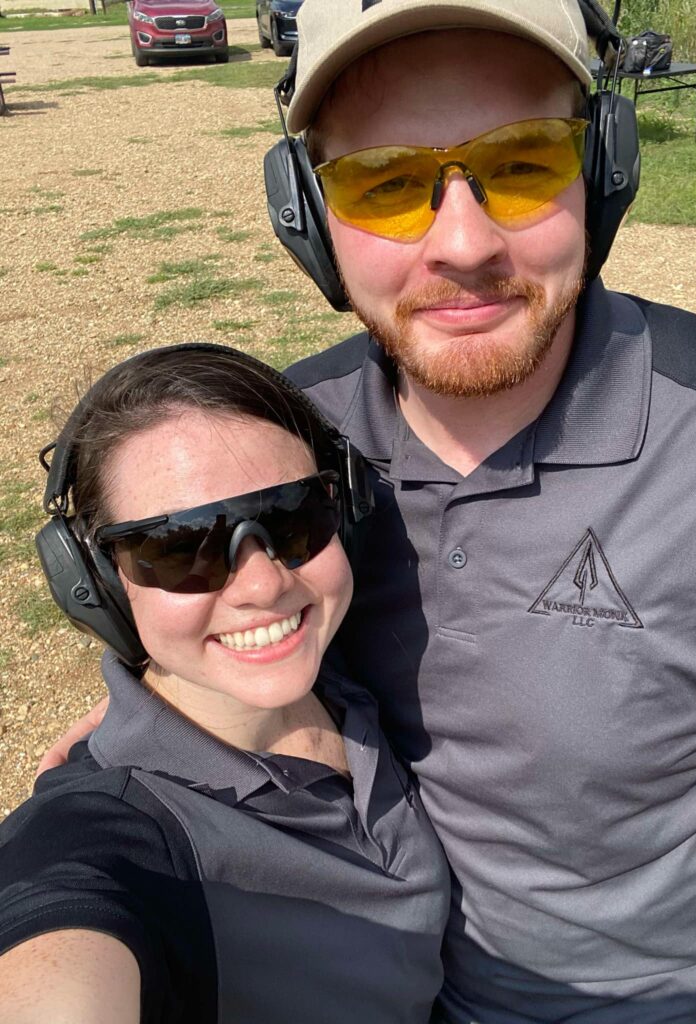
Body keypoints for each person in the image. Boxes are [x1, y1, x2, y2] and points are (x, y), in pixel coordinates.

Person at [41, 2, 696, 1021]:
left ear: (602, 168)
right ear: (306, 215)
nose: (462, 245)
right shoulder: (290, 454)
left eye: (522, 162)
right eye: (383, 184)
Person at [0, 344, 450, 1024]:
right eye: (181, 548)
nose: (265, 583)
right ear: (95, 585)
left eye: (294, 517)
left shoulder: (348, 675)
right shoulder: (116, 838)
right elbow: (60, 931)